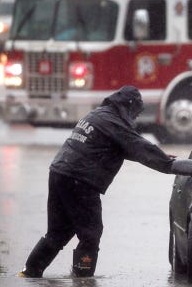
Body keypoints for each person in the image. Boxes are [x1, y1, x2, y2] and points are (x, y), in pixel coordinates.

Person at [18, 86, 177, 278]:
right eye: (136, 111)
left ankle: (30, 273)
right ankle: (83, 279)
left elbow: (127, 149)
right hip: (80, 180)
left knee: (57, 232)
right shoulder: (114, 122)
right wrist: (171, 165)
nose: (135, 117)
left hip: (59, 173)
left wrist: (163, 158)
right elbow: (139, 146)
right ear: (129, 106)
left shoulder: (98, 115)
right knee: (91, 233)